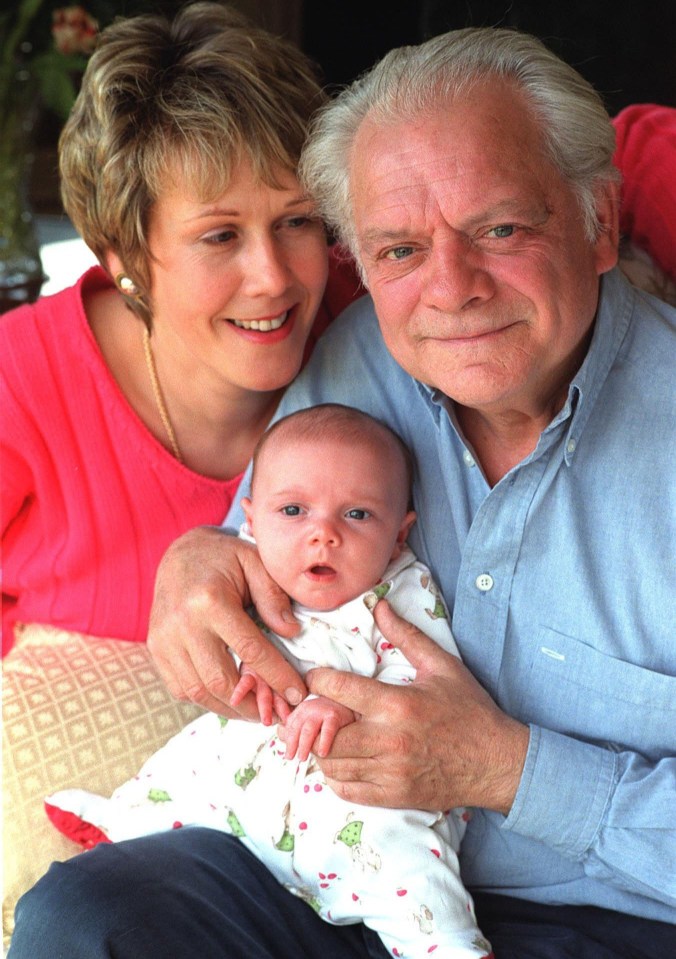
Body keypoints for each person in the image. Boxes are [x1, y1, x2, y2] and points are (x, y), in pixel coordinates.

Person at [9, 24, 676, 959]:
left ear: (600, 223)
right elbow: (258, 550)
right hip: (328, 874)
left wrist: (510, 769)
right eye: (399, 248)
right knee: (90, 920)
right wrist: (200, 556)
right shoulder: (356, 357)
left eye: (501, 229)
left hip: (614, 917)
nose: (451, 288)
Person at [0, 1, 361, 942]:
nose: (275, 277)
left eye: (297, 221)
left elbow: (606, 149)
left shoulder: (376, 320)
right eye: (218, 237)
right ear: (124, 257)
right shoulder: (20, 387)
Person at [44, 404, 493, 959]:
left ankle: (449, 947)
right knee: (191, 761)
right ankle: (122, 822)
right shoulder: (250, 572)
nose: (323, 534)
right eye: (294, 510)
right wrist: (241, 671)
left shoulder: (399, 592)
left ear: (400, 534)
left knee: (413, 868)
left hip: (361, 791)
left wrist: (348, 710)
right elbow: (212, 643)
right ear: (251, 521)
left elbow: (426, 679)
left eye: (356, 515)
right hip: (254, 773)